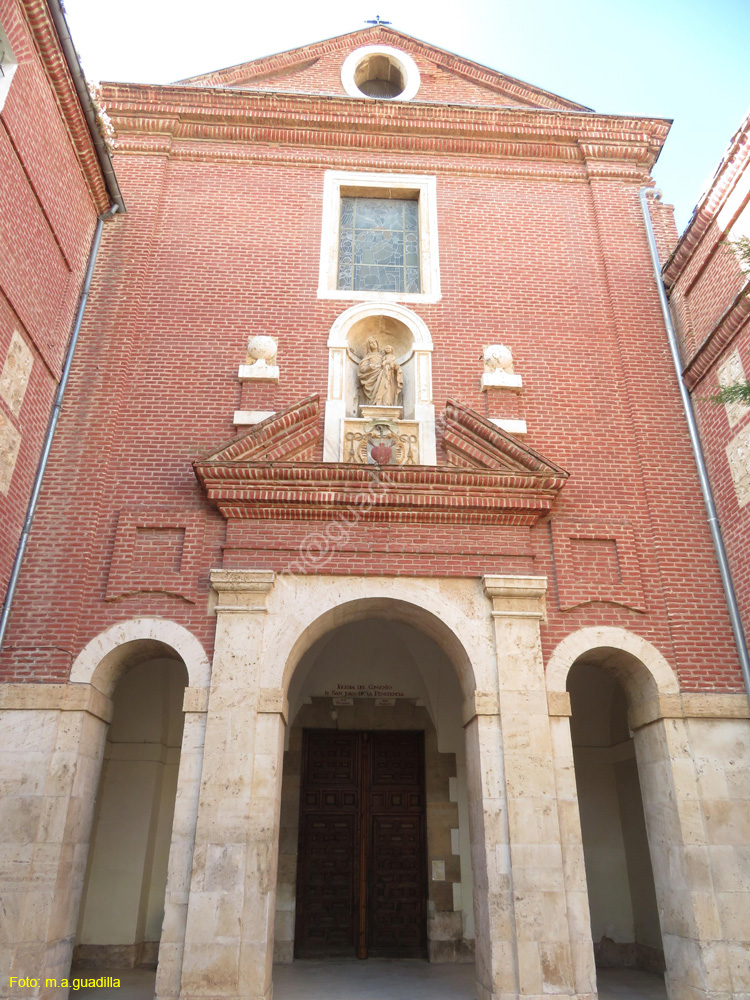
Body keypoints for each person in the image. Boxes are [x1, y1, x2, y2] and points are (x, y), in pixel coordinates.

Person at [357, 338, 403, 406]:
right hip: (373, 379)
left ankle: (386, 404)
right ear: (369, 346)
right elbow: (362, 369)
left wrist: (396, 367)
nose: (373, 343)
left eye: (374, 342)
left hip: (385, 375)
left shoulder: (383, 355)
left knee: (385, 389)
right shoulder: (368, 357)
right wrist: (370, 367)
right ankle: (375, 403)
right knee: (377, 392)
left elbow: (391, 363)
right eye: (371, 343)